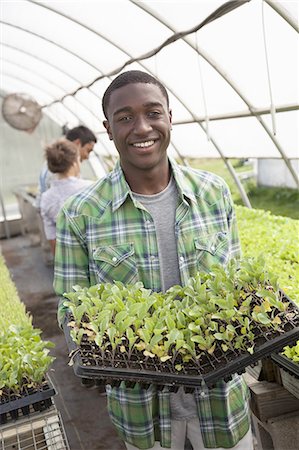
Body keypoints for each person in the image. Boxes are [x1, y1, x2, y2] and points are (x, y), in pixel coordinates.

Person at [53, 70, 252, 450]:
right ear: (108, 129)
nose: (142, 127)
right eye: (125, 117)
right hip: (142, 410)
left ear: (170, 118)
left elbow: (238, 284)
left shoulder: (213, 193)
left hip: (221, 401)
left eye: (153, 113)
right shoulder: (81, 213)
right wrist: (87, 349)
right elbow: (70, 307)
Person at [40, 138, 93, 255]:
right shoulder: (90, 188)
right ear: (74, 163)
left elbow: (52, 239)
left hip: (68, 257)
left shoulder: (46, 198)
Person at [36, 125, 97, 207]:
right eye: (88, 151)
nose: (87, 156)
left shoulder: (54, 164)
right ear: (77, 143)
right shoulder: (58, 167)